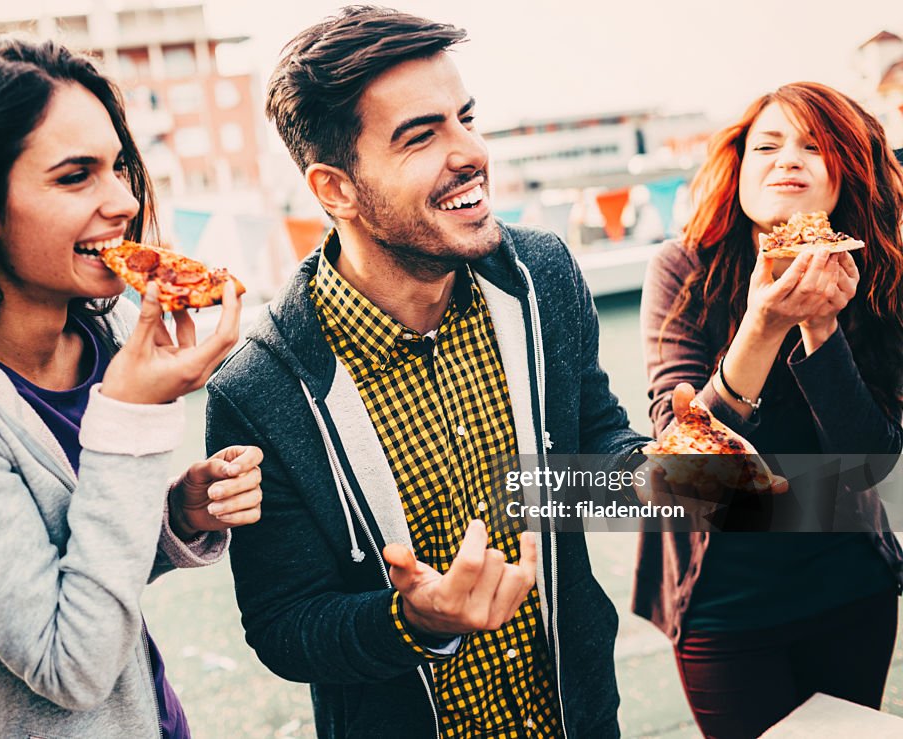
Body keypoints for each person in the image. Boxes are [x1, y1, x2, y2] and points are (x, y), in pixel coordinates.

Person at [203, 6, 671, 738]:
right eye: (422, 135)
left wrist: (681, 481)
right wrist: (415, 620)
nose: (470, 151)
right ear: (335, 190)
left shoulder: (543, 275)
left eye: (466, 118)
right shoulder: (256, 387)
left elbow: (585, 460)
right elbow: (285, 624)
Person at [0, 38, 263, 738]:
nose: (123, 200)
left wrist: (178, 512)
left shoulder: (104, 331)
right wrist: (133, 413)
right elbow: (70, 664)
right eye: (74, 176)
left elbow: (88, 572)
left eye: (119, 167)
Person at [635, 81, 903, 738]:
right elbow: (686, 471)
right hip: (722, 601)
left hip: (852, 588)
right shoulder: (681, 270)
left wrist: (822, 331)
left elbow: (873, 461)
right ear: (740, 168)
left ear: (848, 173)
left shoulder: (882, 273)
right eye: (769, 145)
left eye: (815, 146)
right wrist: (764, 323)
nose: (788, 159)